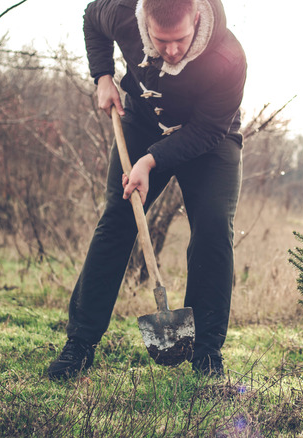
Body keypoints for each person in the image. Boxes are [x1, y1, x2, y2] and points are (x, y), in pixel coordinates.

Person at [47, 0, 246, 380]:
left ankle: (206, 356)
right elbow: (91, 16)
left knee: (213, 230)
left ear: (197, 17)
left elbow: (208, 130)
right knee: (117, 221)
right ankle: (80, 345)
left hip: (209, 140)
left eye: (181, 39)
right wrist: (103, 75)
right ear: (143, 23)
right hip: (143, 123)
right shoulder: (121, 12)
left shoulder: (228, 57)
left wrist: (150, 161)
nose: (171, 51)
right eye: (160, 40)